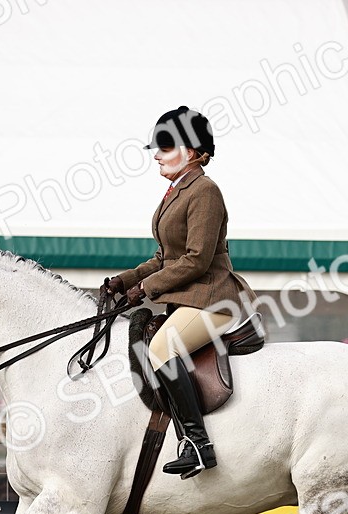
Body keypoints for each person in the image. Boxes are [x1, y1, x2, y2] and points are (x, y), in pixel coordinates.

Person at [105, 106, 256, 479]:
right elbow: (164, 256)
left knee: (162, 348)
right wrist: (125, 281)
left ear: (189, 151)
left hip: (213, 298)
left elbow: (196, 260)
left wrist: (147, 289)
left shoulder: (205, 191)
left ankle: (197, 442)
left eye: (164, 147)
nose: (155, 154)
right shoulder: (177, 191)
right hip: (189, 299)